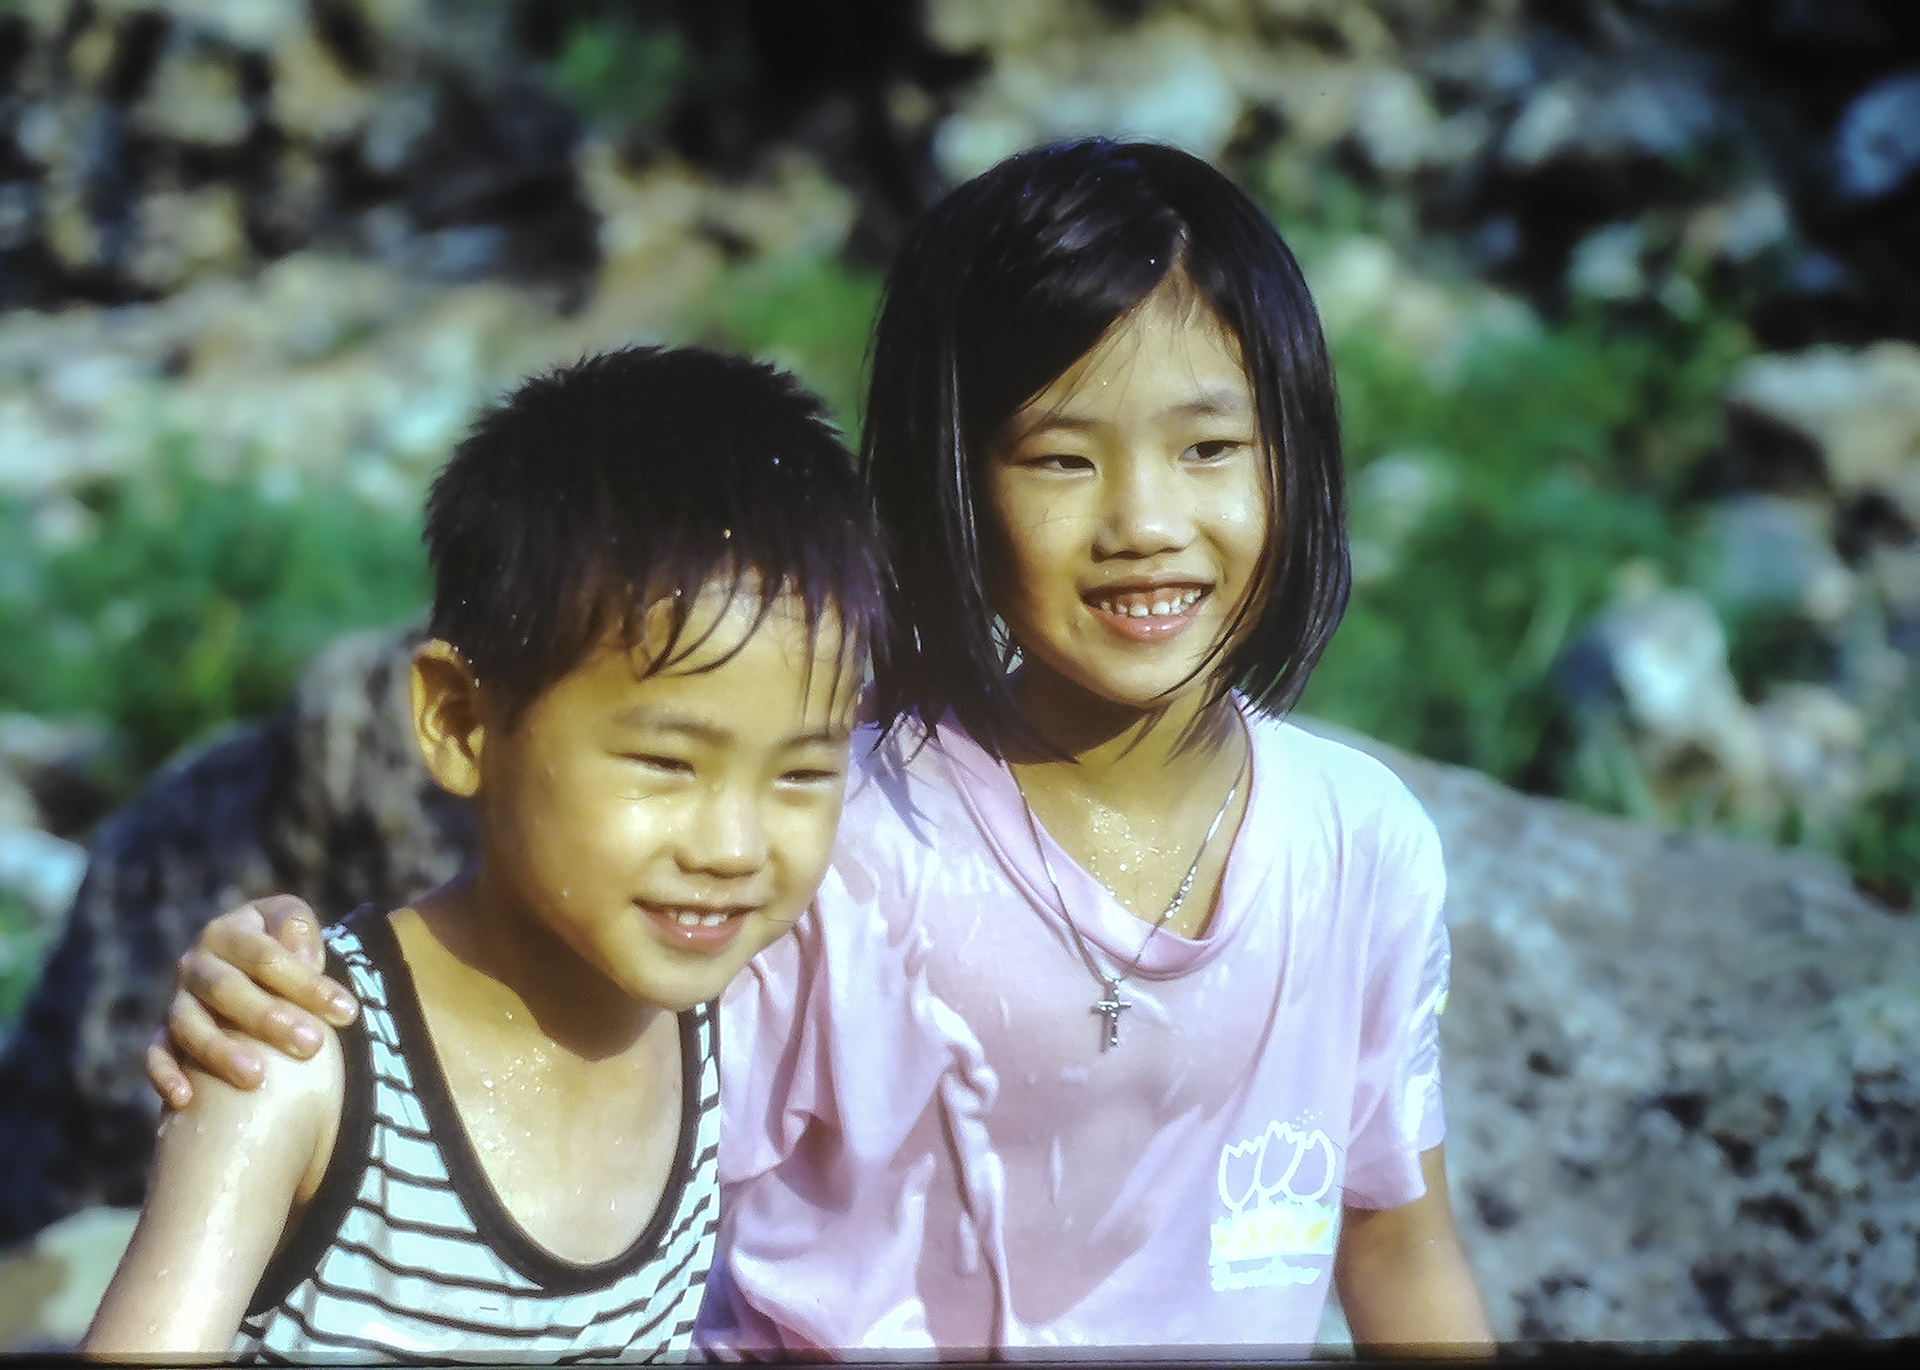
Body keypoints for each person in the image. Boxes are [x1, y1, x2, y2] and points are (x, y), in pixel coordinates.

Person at [148, 140, 1495, 1355]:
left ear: (1296, 454)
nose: (1145, 519)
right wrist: (280, 984)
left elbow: (1394, 1236)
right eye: (1061, 459)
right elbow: (542, 1042)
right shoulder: (826, 837)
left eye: (1210, 447)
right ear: (948, 481)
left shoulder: (1361, 844)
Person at [86, 345, 888, 1360]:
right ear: (461, 724)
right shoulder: (299, 1060)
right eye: (666, 763)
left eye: (803, 773)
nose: (734, 848)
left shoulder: (737, 1020)